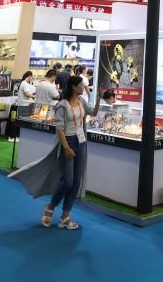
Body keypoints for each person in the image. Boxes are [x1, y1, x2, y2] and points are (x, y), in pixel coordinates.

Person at [40, 76, 102, 229]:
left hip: (81, 142)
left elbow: (93, 112)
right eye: (81, 85)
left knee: (76, 182)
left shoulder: (81, 101)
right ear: (74, 87)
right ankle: (50, 207)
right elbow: (59, 129)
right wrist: (66, 147)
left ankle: (65, 215)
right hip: (68, 142)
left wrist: (99, 99)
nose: (83, 87)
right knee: (67, 181)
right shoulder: (62, 105)